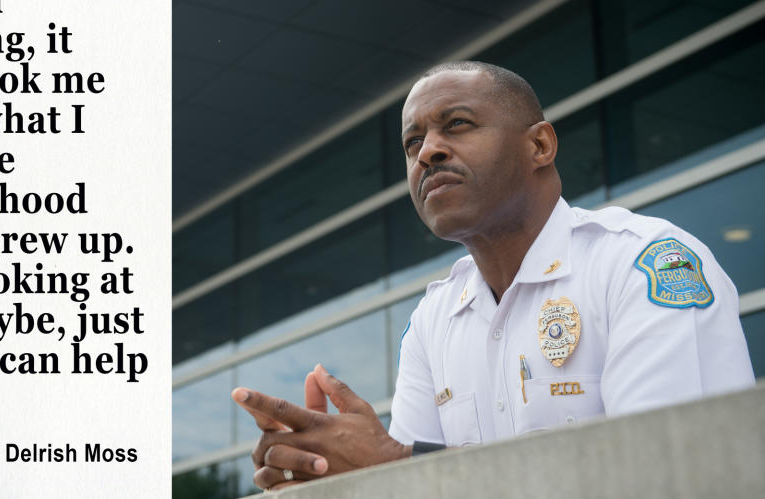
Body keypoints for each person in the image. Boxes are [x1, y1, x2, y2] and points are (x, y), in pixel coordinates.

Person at [231, 61, 755, 490]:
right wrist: (327, 476)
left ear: (540, 146)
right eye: (413, 144)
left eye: (456, 124)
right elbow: (405, 482)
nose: (428, 152)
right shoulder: (434, 319)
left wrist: (395, 465)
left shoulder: (644, 263)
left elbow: (675, 470)